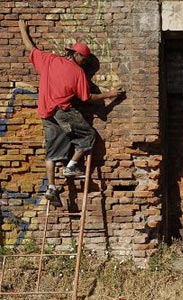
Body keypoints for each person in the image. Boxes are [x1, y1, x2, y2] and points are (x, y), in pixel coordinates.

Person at [18, 19, 125, 206]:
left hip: (45, 112)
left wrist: (22, 29)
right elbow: (87, 98)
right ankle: (71, 166)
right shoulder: (78, 73)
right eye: (84, 59)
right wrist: (110, 94)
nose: (85, 63)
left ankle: (51, 188)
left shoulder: (50, 60)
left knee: (52, 152)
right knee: (89, 137)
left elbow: (30, 48)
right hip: (63, 111)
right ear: (76, 55)